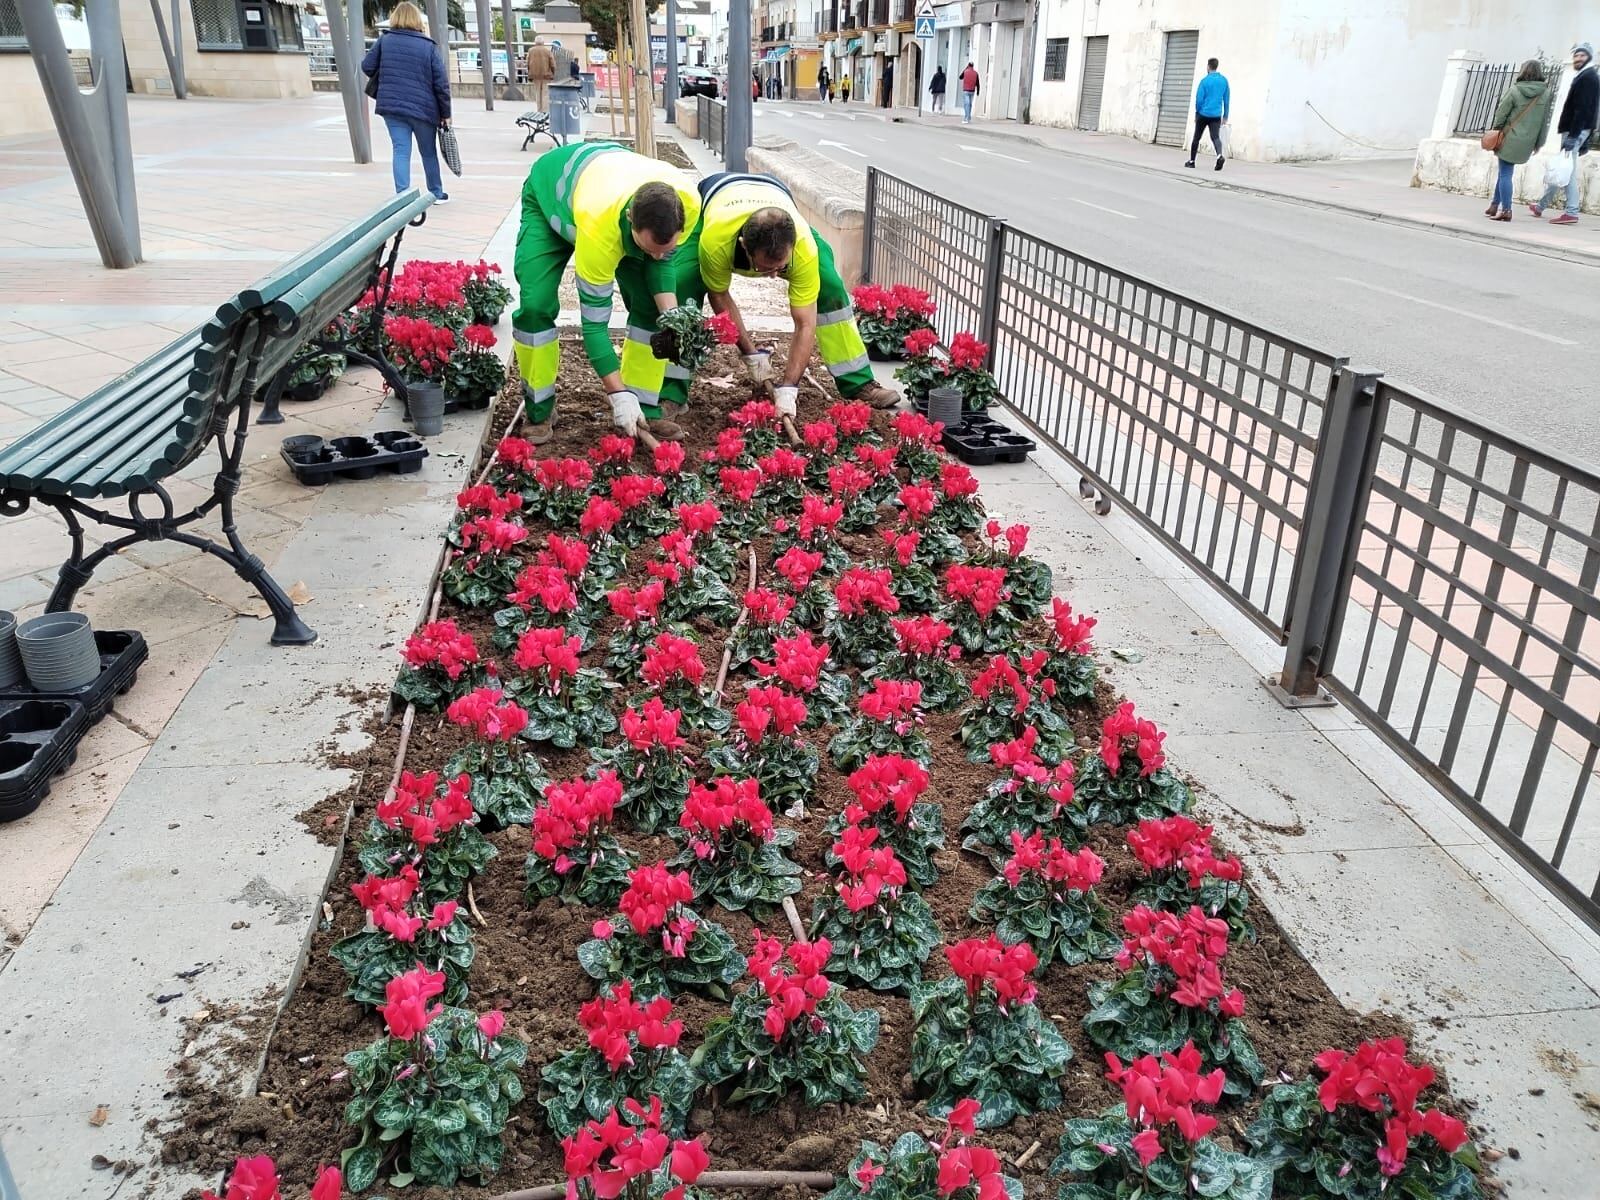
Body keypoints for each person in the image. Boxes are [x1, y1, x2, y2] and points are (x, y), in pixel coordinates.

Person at [665, 173, 901, 419]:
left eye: (780, 267)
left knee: (830, 285)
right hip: (715, 198)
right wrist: (750, 354)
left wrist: (789, 387)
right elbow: (720, 297)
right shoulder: (716, 242)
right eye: (765, 268)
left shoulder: (803, 250)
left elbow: (805, 323)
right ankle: (671, 391)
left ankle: (858, 382)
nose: (774, 276)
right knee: (683, 283)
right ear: (744, 246)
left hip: (775, 196)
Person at [510, 142, 702, 444]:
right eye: (647, 248)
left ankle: (645, 407)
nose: (655, 256)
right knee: (536, 305)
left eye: (664, 248)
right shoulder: (599, 226)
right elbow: (594, 327)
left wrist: (673, 319)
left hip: (607, 181)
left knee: (653, 310)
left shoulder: (687, 203)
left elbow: (661, 264)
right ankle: (540, 408)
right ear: (629, 220)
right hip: (552, 199)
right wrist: (618, 394)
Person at [361, 2, 451, 203]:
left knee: (400, 150)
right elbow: (441, 83)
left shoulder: (385, 41)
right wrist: (446, 113)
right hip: (424, 109)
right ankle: (436, 193)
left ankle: (403, 195)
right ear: (417, 20)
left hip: (392, 106)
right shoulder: (428, 46)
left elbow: (367, 66)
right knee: (428, 152)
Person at [1531, 42, 1598, 226]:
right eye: (1576, 56)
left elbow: (1583, 110)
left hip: (1574, 131)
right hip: (1576, 131)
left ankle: (1572, 212)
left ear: (1589, 57)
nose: (1578, 59)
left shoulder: (1588, 77)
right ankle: (1540, 206)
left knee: (1567, 171)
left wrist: (1575, 136)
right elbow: (1592, 110)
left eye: (1582, 56)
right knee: (1562, 167)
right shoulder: (1585, 76)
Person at [1486, 61, 1553, 221]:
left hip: (1509, 137)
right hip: (1528, 140)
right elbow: (1545, 121)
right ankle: (1494, 204)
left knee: (1505, 174)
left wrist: (1497, 130)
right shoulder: (1545, 93)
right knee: (1505, 172)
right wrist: (1539, 142)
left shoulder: (1515, 90)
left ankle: (1506, 210)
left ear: (1523, 72)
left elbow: (1501, 113)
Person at [1185, 57, 1229, 170]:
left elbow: (1199, 99)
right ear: (1216, 66)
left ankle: (1192, 161)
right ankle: (1219, 155)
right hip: (1216, 115)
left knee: (1196, 137)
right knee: (1215, 137)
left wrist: (1197, 112)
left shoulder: (1204, 81)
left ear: (1208, 67)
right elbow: (1226, 99)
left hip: (1203, 114)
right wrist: (1225, 115)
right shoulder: (1224, 81)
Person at [526, 33, 555, 113]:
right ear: (543, 42)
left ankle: (539, 110)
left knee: (537, 94)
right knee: (545, 94)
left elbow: (527, 63)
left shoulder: (530, 51)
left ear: (535, 42)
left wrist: (530, 72)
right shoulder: (547, 51)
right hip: (546, 76)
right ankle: (545, 111)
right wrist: (553, 72)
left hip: (535, 76)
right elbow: (552, 64)